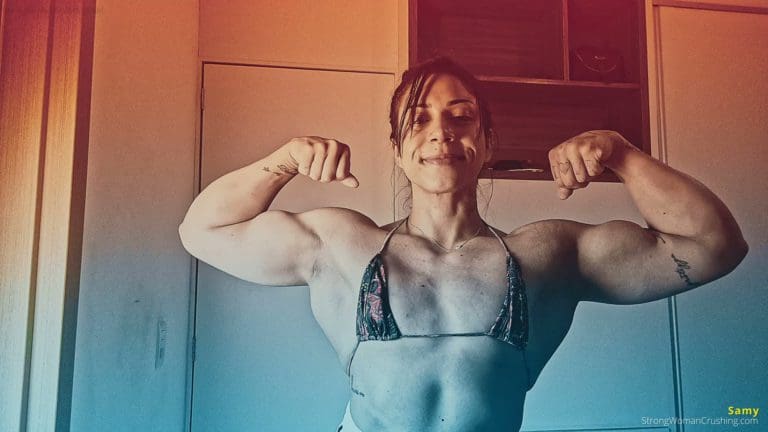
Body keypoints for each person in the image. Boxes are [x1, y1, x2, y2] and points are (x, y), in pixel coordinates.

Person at [178, 57, 749, 432]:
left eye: (461, 116)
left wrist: (622, 153)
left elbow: (715, 246)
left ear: (487, 142)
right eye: (418, 119)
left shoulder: (546, 255)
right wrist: (282, 161)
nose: (441, 132)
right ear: (398, 148)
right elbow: (202, 231)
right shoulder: (340, 244)